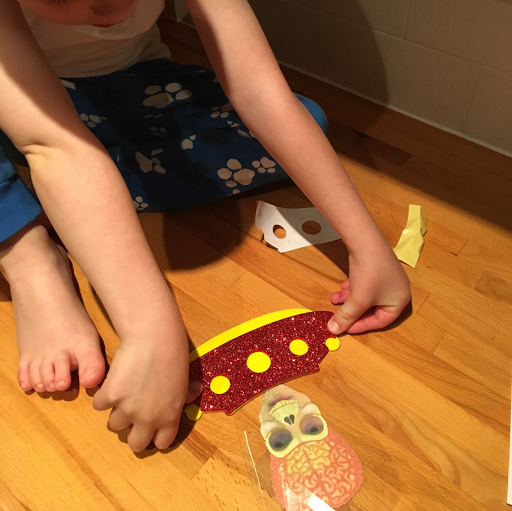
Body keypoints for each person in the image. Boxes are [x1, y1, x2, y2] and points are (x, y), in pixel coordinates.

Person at [0, 0, 411, 452]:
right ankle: (26, 253)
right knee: (55, 157)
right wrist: (150, 328)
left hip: (136, 85)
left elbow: (259, 93)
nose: (108, 6)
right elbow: (55, 145)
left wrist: (369, 246)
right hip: (28, 107)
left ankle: (78, 194)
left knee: (304, 119)